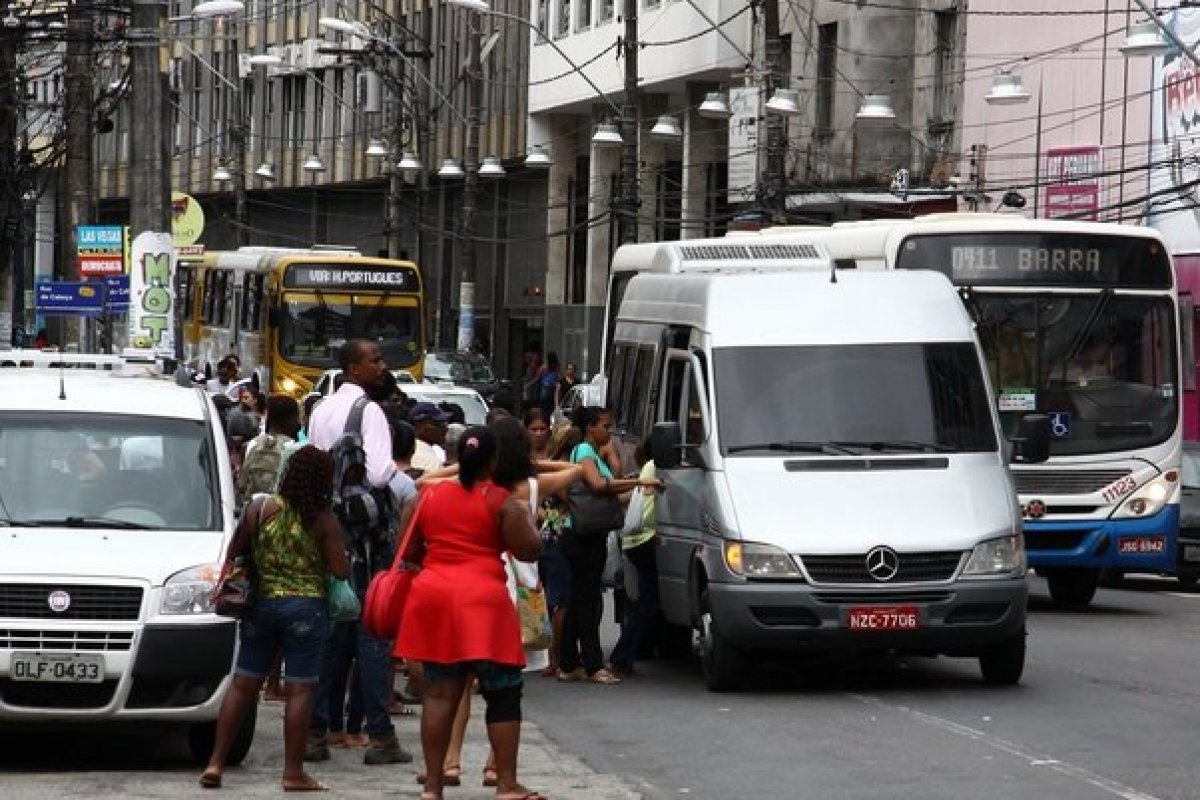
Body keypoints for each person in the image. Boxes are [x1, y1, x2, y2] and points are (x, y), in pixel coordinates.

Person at [395, 427, 547, 800]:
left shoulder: (427, 497)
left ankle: (432, 786)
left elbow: (407, 550)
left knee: (439, 694)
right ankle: (507, 784)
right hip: (483, 602)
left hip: (435, 598)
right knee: (503, 692)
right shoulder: (503, 502)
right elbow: (528, 550)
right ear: (492, 461)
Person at [199, 445, 350, 792]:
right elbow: (340, 571)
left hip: (261, 606)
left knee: (243, 685)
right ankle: (293, 772)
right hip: (306, 610)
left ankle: (216, 762)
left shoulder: (259, 508)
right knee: (300, 691)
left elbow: (235, 552)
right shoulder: (324, 521)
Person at [305, 339, 412, 766]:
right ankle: (380, 735)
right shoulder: (369, 412)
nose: (382, 366)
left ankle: (317, 730)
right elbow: (381, 473)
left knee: (335, 634)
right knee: (372, 636)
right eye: (375, 361)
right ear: (353, 367)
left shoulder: (320, 410)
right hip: (365, 541)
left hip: (328, 534)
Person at [558, 406, 652, 685]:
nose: (608, 432)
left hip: (589, 535)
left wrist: (626, 478)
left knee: (580, 600)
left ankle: (569, 662)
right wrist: (637, 481)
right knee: (587, 601)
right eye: (604, 427)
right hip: (583, 537)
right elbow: (599, 485)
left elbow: (611, 478)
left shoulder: (591, 452)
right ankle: (592, 665)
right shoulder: (585, 452)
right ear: (590, 427)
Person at [606, 442, 660, 678]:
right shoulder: (652, 467)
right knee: (645, 604)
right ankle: (621, 657)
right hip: (644, 539)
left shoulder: (648, 467)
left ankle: (624, 657)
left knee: (645, 603)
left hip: (640, 540)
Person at [410, 402, 451, 472]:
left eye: (445, 423)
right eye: (439, 424)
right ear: (422, 426)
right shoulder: (429, 460)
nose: (446, 428)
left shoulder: (408, 449)